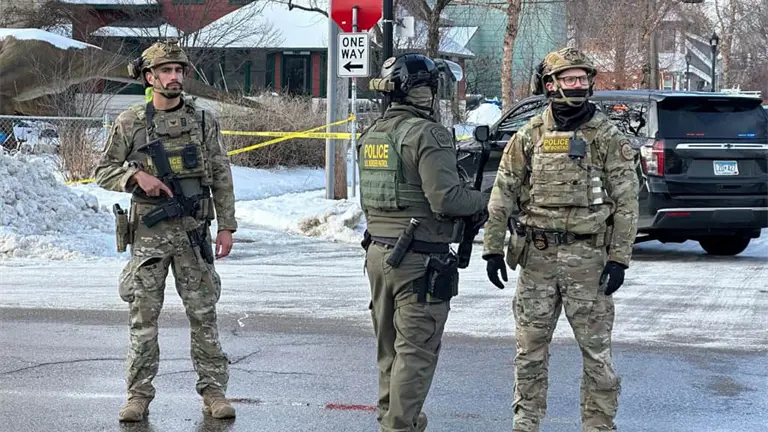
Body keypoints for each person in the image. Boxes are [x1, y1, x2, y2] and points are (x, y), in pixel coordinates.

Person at [482, 47, 639, 432]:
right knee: (529, 353)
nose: (578, 85)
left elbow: (626, 201)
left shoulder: (605, 136)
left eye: (583, 78)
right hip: (536, 259)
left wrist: (619, 258)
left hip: (588, 260)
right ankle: (525, 424)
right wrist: (492, 248)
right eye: (570, 79)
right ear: (550, 85)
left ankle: (598, 426)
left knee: (597, 356)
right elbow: (503, 191)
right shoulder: (530, 134)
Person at [93, 39, 238, 422]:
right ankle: (137, 396)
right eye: (166, 70)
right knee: (143, 318)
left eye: (179, 70)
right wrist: (135, 176)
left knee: (204, 315)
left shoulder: (203, 120)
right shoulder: (131, 122)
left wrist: (226, 226)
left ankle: (214, 392)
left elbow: (221, 173)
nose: (174, 77)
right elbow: (102, 170)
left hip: (193, 231)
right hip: (149, 235)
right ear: (149, 76)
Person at [358, 53, 489, 432]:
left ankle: (396, 419)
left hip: (378, 253)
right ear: (423, 91)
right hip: (419, 260)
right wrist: (486, 199)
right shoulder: (427, 134)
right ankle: (399, 426)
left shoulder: (373, 133)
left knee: (389, 350)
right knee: (415, 352)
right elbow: (447, 199)